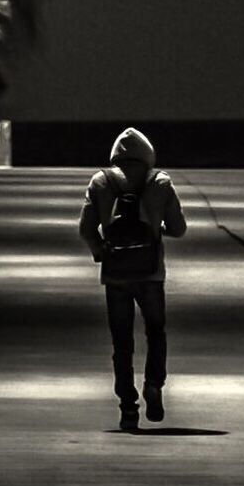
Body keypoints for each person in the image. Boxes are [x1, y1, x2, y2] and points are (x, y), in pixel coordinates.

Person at [78, 126, 187, 430]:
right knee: (156, 331)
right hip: (151, 273)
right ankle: (154, 383)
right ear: (148, 154)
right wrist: (156, 231)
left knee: (121, 341)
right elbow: (179, 228)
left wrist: (101, 252)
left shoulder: (101, 181)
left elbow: (86, 230)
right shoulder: (160, 181)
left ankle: (128, 406)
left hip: (116, 275)